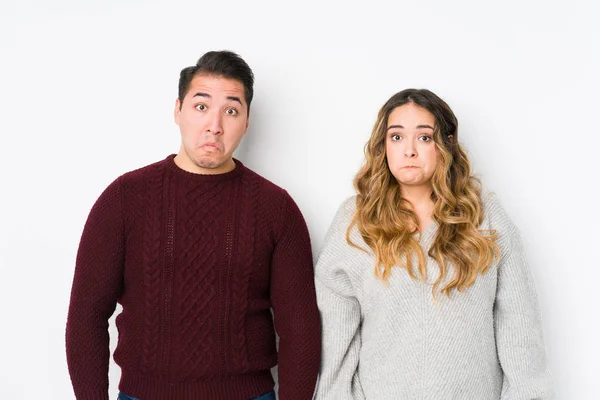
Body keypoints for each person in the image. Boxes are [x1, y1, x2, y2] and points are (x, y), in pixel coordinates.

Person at [66, 50, 321, 400]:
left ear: (246, 121)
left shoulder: (276, 209)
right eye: (201, 107)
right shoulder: (124, 199)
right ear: (178, 111)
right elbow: (86, 315)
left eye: (231, 111)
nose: (214, 125)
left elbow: (300, 330)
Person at [314, 89, 553, 399]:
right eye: (396, 137)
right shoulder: (356, 221)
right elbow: (336, 343)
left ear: (446, 145)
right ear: (383, 145)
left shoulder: (485, 217)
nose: (409, 150)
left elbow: (521, 333)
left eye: (424, 138)